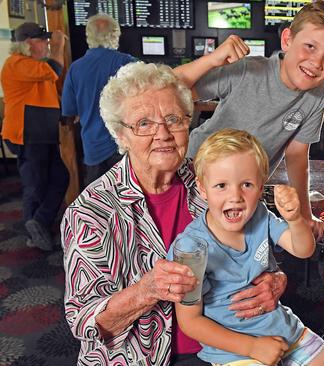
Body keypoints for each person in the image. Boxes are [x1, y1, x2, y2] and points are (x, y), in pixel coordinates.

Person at [61, 62, 288, 366]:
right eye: (144, 123)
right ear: (121, 135)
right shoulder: (92, 212)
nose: (163, 134)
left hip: (234, 342)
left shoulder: (211, 182)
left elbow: (260, 246)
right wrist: (148, 289)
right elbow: (84, 321)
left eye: (173, 119)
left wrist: (277, 278)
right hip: (141, 356)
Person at [173, 0, 324, 242]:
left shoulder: (318, 93)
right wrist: (213, 59)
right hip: (195, 175)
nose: (316, 62)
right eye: (310, 46)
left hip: (244, 191)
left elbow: (297, 156)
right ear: (287, 39)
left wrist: (306, 214)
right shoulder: (249, 70)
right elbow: (171, 89)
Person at [171, 129, 324, 366]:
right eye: (221, 185)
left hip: (285, 331)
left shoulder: (261, 215)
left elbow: (303, 250)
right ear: (202, 188)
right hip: (236, 351)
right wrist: (252, 347)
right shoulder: (190, 248)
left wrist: (294, 220)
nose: (235, 196)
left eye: (247, 185)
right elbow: (190, 321)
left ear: (261, 187)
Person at [1, 22, 69, 251]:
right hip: (26, 134)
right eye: (43, 40)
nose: (47, 44)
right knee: (35, 183)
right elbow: (54, 70)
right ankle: (35, 233)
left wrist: (65, 114)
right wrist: (59, 47)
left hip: (41, 132)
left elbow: (47, 97)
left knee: (59, 177)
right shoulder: (17, 64)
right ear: (28, 44)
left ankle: (39, 222)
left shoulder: (32, 66)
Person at [61, 13, 135, 187]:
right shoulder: (127, 63)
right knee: (127, 195)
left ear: (89, 36)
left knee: (95, 200)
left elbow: (69, 112)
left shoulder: (75, 69)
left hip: (92, 146)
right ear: (115, 35)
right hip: (122, 143)